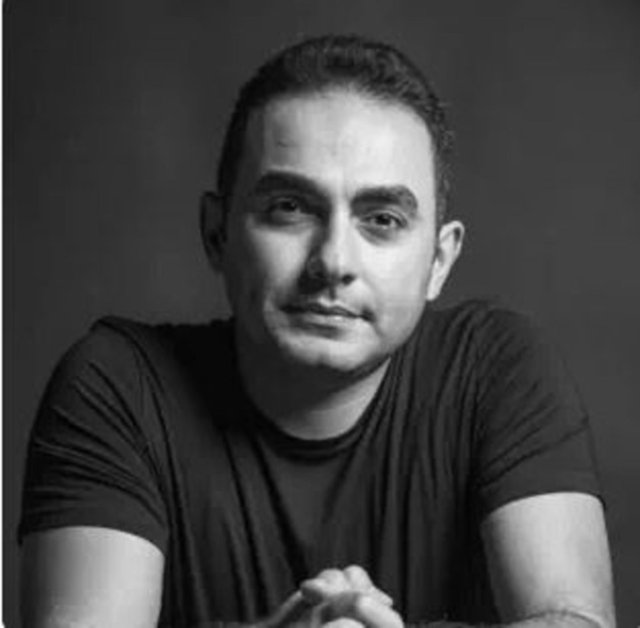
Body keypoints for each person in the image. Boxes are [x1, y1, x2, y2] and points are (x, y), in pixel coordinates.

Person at [18, 35, 615, 628]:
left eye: (382, 219)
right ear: (217, 234)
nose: (333, 261)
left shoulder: (497, 370)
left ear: (439, 260)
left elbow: (574, 620)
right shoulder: (122, 386)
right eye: (290, 208)